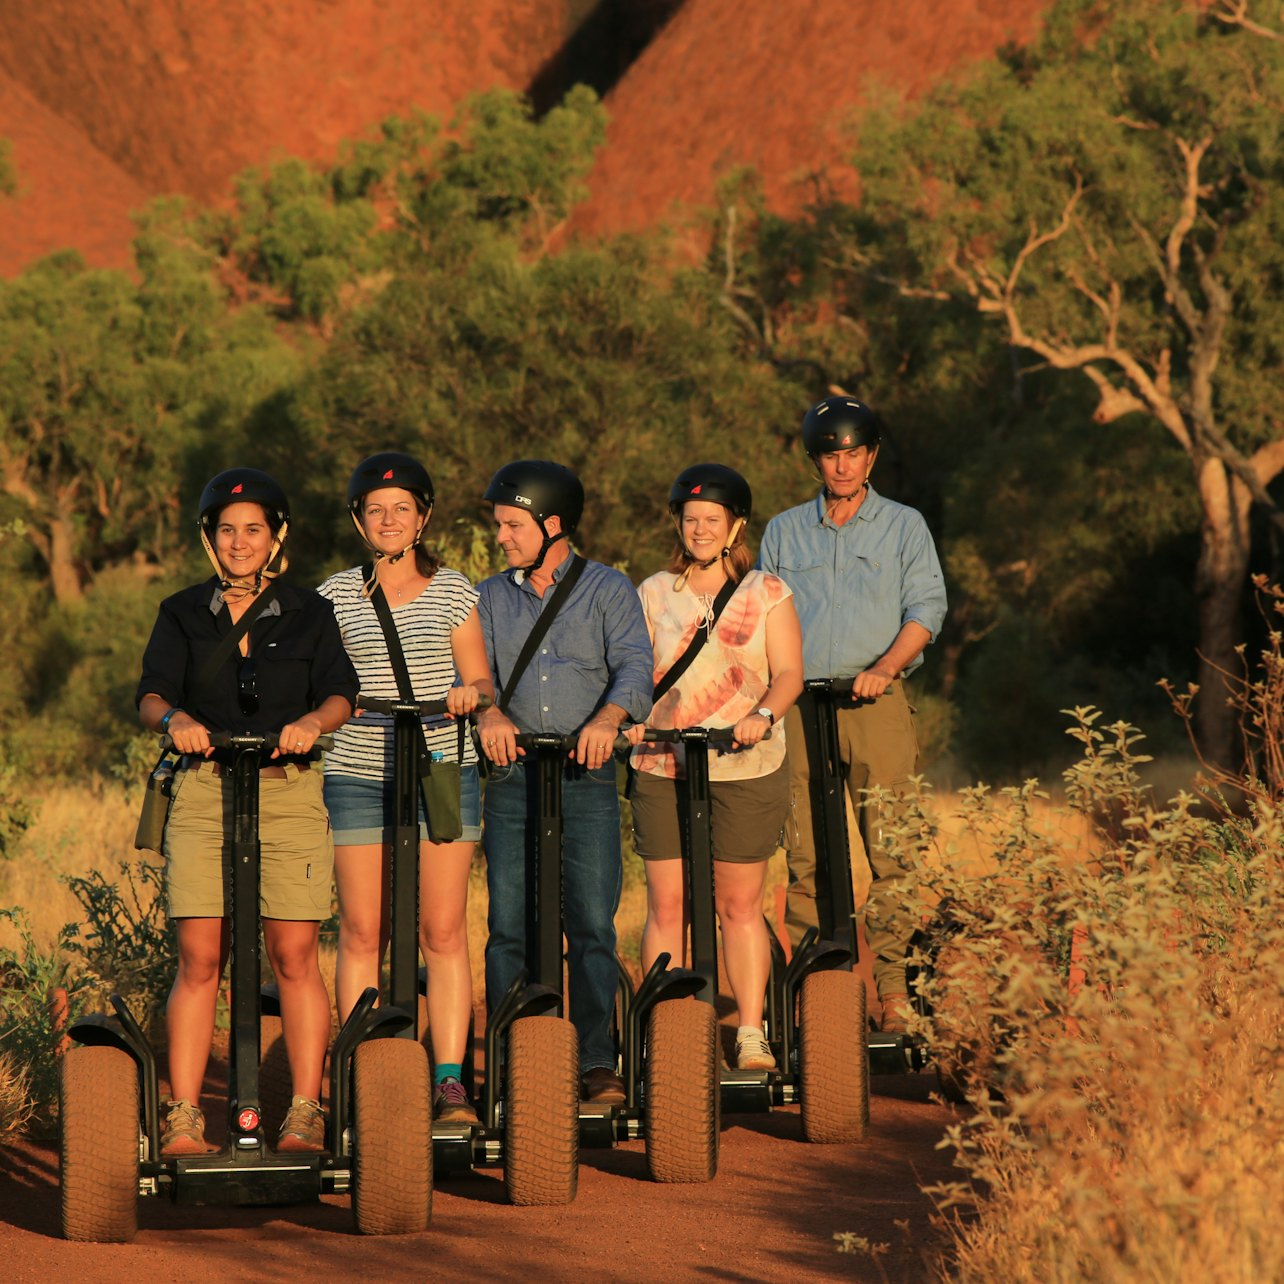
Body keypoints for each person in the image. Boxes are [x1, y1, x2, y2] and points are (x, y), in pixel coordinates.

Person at [136, 468, 358, 1155]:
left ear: (276, 537)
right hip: (204, 789)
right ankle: (181, 1116)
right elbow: (150, 695)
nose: (239, 542)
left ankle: (304, 1110)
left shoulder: (309, 612)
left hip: (287, 789)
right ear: (209, 538)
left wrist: (312, 726)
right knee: (200, 955)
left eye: (252, 529)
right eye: (226, 530)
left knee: (293, 952)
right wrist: (173, 720)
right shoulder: (180, 611)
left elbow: (340, 695)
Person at [758, 396, 947, 1033]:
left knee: (891, 851)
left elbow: (926, 611)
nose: (843, 464)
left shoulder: (903, 526)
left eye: (854, 453)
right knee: (808, 854)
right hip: (799, 706)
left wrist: (885, 668)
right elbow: (761, 616)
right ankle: (821, 994)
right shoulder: (784, 530)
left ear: (871, 457)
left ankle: (894, 992)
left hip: (875, 703)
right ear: (816, 460)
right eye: (831, 454)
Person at [317, 451, 493, 1124]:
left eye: (401, 508)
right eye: (375, 510)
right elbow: (323, 682)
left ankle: (449, 1080)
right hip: (359, 769)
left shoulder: (454, 590)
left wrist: (464, 693)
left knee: (441, 930)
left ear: (422, 517)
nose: (389, 520)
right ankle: (364, 1068)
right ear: (360, 522)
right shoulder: (335, 595)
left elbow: (481, 679)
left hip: (442, 768)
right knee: (363, 930)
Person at [474, 460, 653, 1105]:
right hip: (516, 777)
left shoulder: (608, 590)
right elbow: (476, 674)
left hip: (586, 777)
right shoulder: (490, 597)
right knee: (508, 926)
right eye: (499, 525)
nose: (502, 537)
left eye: (512, 525)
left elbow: (635, 667)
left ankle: (597, 1060)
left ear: (551, 525)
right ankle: (509, 1059)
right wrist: (488, 712)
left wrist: (607, 720)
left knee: (593, 925)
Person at [624, 464, 803, 1070]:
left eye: (712, 520)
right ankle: (664, 1031)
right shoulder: (652, 592)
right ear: (678, 524)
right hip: (662, 760)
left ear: (735, 527)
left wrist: (764, 715)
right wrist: (623, 716)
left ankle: (749, 1031)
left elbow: (788, 675)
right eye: (690, 518)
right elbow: (631, 670)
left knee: (738, 903)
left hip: (744, 762)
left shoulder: (767, 592)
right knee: (667, 902)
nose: (700, 529)